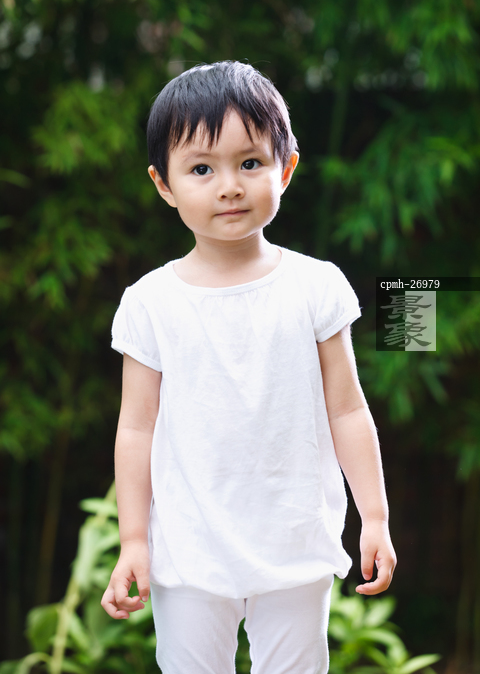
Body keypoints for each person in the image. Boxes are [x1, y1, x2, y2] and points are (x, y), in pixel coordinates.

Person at [101, 61, 396, 674]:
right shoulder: (150, 302)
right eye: (201, 169)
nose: (229, 186)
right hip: (188, 552)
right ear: (163, 184)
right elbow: (136, 427)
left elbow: (347, 409)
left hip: (294, 545)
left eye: (251, 162)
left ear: (285, 169)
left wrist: (374, 515)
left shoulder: (317, 287)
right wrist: (133, 540)